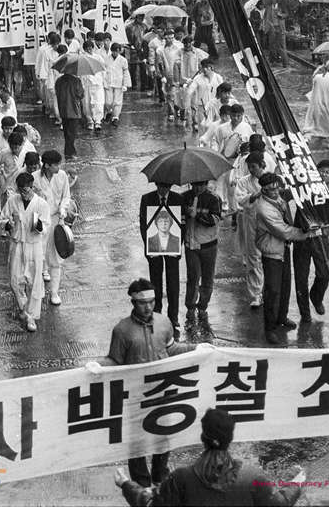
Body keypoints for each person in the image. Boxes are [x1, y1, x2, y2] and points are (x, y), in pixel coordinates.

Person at [115, 407, 305, 507]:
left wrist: (126, 484)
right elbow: (279, 503)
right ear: (230, 438)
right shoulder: (253, 477)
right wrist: (296, 484)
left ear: (203, 437)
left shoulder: (181, 478)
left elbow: (151, 504)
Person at [103, 278, 193, 488]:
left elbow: (171, 349)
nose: (148, 307)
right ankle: (141, 483)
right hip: (136, 395)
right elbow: (115, 361)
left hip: (163, 389)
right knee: (137, 441)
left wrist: (197, 348)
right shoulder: (122, 330)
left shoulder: (164, 322)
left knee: (164, 435)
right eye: (143, 303)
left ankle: (160, 474)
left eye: (152, 302)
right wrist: (96, 367)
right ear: (133, 303)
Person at [255, 173, 313, 344]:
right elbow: (283, 231)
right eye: (271, 190)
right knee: (273, 290)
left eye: (277, 188)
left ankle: (282, 317)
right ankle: (270, 328)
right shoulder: (264, 209)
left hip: (283, 248)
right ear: (263, 190)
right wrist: (305, 234)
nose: (275, 192)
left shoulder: (278, 197)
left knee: (285, 285)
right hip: (272, 252)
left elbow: (292, 193)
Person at [0, 172, 50, 333]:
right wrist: (8, 225)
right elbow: (3, 218)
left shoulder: (41, 204)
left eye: (26, 190)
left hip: (34, 246)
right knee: (15, 280)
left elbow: (46, 226)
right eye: (20, 190)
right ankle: (23, 307)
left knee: (34, 281)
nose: (23, 194)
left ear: (32, 187)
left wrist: (40, 226)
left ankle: (31, 316)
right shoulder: (12, 201)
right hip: (17, 244)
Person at [293, 160, 329, 321]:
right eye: (321, 171)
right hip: (302, 237)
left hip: (320, 237)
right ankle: (305, 313)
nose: (323, 174)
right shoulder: (302, 187)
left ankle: (316, 297)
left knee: (325, 274)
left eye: (327, 172)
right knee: (301, 277)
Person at [139, 183, 184, 340]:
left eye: (166, 187)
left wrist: (178, 247)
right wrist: (148, 246)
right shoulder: (146, 199)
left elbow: (182, 224)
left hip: (172, 248)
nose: (163, 190)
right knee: (155, 283)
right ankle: (156, 315)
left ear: (170, 186)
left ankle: (173, 318)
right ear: (156, 185)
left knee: (173, 284)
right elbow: (143, 224)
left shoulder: (178, 199)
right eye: (160, 186)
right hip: (154, 248)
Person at [33, 149, 72, 305]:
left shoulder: (62, 176)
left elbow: (66, 196)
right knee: (37, 255)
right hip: (38, 220)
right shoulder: (34, 178)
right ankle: (38, 289)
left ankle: (54, 293)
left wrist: (63, 208)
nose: (58, 167)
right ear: (47, 165)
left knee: (56, 257)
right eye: (56, 165)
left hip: (56, 218)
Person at [183, 181, 222, 322]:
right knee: (192, 278)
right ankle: (190, 307)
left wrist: (197, 216)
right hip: (191, 245)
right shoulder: (184, 197)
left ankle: (203, 306)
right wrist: (186, 214)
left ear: (206, 184)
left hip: (208, 246)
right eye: (194, 185)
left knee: (207, 279)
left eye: (201, 185)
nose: (197, 188)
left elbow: (214, 220)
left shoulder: (214, 199)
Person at [234, 152, 267, 308]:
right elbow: (241, 199)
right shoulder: (243, 181)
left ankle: (268, 291)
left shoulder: (271, 180)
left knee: (269, 256)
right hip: (251, 221)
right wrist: (256, 195)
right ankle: (256, 294)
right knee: (253, 257)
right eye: (249, 167)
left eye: (254, 167)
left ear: (262, 165)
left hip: (269, 222)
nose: (251, 170)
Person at [303, 62, 329, 140]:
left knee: (313, 121)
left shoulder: (317, 78)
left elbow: (313, 77)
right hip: (328, 104)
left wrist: (319, 69)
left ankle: (311, 135)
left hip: (315, 103)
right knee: (327, 122)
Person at [186, 59, 223, 132]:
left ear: (211, 67)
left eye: (207, 67)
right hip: (202, 108)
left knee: (216, 129)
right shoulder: (198, 78)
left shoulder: (218, 78)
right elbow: (190, 92)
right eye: (203, 67)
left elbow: (225, 91)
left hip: (216, 107)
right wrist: (188, 86)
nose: (204, 69)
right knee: (203, 130)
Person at [55, 70, 84, 160]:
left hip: (63, 109)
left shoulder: (59, 80)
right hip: (74, 110)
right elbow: (80, 94)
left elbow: (57, 92)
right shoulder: (76, 81)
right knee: (72, 133)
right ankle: (70, 152)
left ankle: (69, 152)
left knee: (66, 132)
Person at [155, 29, 180, 121]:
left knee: (177, 93)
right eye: (168, 38)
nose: (170, 40)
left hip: (177, 74)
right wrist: (162, 76)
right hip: (167, 74)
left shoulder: (179, 48)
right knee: (169, 95)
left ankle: (177, 108)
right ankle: (171, 112)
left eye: (172, 38)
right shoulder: (160, 50)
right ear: (165, 38)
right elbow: (159, 63)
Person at [104, 43, 132, 126]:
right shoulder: (106, 59)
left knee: (117, 101)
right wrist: (103, 82)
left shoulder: (123, 60)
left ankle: (115, 117)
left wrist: (125, 84)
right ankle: (109, 111)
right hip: (109, 82)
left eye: (117, 51)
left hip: (119, 82)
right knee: (108, 101)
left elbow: (126, 72)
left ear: (119, 51)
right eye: (114, 51)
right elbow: (104, 72)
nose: (115, 53)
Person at [81, 39, 105, 132]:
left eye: (90, 48)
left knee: (98, 103)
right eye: (87, 49)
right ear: (84, 49)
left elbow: (103, 70)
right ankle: (90, 121)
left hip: (97, 83)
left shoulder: (98, 57)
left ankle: (98, 121)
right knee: (87, 104)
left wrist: (103, 81)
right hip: (86, 84)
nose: (89, 50)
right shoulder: (82, 58)